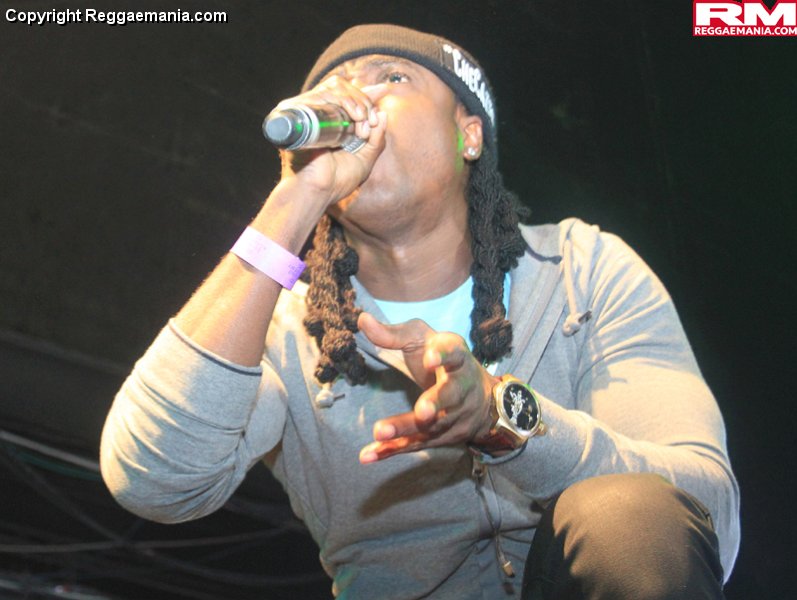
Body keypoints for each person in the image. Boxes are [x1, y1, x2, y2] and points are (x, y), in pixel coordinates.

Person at [100, 24, 740, 599]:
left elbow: (702, 506)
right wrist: (295, 199)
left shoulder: (581, 269)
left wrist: (499, 419)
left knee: (628, 517)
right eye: (337, 86)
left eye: (391, 77)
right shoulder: (281, 327)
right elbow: (154, 482)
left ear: (469, 134)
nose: (356, 98)